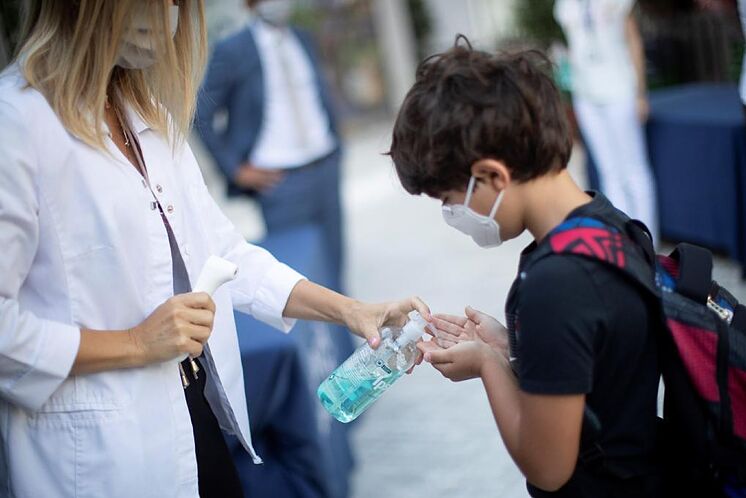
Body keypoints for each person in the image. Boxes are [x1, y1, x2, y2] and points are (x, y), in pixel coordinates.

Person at [0, 1, 429, 497]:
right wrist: (136, 343)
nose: (172, 14)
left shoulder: (147, 115)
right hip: (95, 455)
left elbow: (225, 254)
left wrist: (351, 310)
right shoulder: (16, 126)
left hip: (191, 416)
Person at [388, 39, 661, 497]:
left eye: (450, 201)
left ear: (493, 176)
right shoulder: (611, 224)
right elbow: (598, 358)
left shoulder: (555, 284)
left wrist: (488, 365)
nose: (453, 216)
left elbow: (549, 467)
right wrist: (515, 346)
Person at [195, 0, 345, 293]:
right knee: (300, 285)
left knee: (336, 275)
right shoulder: (233, 49)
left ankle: (353, 340)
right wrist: (235, 170)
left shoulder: (302, 37)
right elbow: (201, 114)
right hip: (280, 184)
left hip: (324, 167)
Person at [554, 0, 659, 243]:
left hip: (620, 87)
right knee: (609, 171)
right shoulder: (566, 4)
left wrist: (641, 92)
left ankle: (647, 241)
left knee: (634, 169)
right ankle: (624, 239)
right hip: (586, 92)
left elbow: (633, 40)